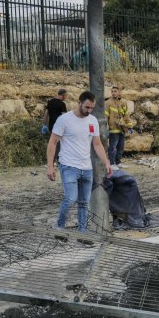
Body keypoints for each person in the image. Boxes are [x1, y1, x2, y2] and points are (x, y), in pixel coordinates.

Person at [46, 91, 113, 232]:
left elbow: (97, 144)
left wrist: (106, 162)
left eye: (92, 108)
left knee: (84, 203)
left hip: (87, 168)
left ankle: (82, 232)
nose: (89, 110)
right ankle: (59, 227)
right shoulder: (64, 120)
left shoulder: (92, 121)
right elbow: (52, 143)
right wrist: (50, 166)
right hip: (69, 166)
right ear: (79, 103)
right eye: (87, 107)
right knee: (70, 199)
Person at [105, 85, 135, 169]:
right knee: (113, 147)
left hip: (122, 128)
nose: (113, 93)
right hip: (113, 129)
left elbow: (126, 116)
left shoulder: (123, 102)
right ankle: (111, 163)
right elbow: (105, 117)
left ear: (119, 92)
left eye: (115, 91)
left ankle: (118, 162)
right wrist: (106, 128)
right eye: (112, 91)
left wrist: (130, 126)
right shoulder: (108, 103)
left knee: (120, 147)